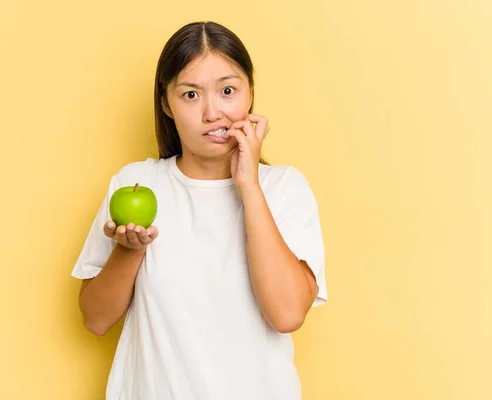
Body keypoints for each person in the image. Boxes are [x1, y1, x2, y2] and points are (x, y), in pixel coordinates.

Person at [71, 20, 328, 400]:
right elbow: (94, 320)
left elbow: (288, 314)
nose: (213, 113)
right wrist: (129, 251)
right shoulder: (138, 183)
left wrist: (249, 187)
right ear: (166, 103)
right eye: (191, 95)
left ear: (250, 93)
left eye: (227, 91)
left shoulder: (284, 188)